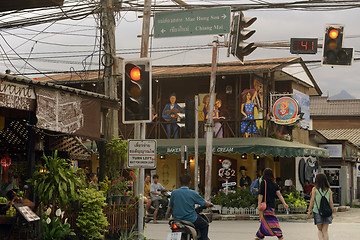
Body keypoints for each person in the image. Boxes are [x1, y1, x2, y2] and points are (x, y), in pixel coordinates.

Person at [170, 175, 213, 240]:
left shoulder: (174, 192)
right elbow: (205, 203)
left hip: (177, 219)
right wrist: (210, 204)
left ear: (180, 183)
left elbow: (171, 206)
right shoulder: (193, 193)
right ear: (190, 182)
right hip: (190, 219)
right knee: (205, 225)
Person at [255, 168, 289, 240]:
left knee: (272, 221)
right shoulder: (274, 184)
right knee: (264, 221)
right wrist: (284, 203)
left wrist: (258, 204)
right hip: (272, 206)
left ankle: (279, 235)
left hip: (265, 206)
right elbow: (279, 195)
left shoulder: (263, 183)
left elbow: (260, 195)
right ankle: (260, 235)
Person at [307, 173, 334, 240]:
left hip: (317, 211)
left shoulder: (314, 189)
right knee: (325, 231)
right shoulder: (328, 190)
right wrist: (332, 213)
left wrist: (309, 211)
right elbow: (331, 202)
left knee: (320, 230)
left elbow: (312, 200)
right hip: (327, 212)